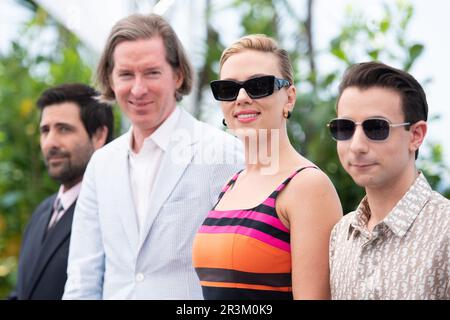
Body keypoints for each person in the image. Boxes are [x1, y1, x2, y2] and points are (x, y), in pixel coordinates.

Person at [62, 14, 243, 300]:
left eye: (151, 72)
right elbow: (83, 275)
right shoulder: (101, 164)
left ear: (178, 75)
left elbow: (242, 271)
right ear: (110, 78)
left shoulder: (224, 153)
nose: (138, 89)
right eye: (125, 74)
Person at [192, 34, 343, 300]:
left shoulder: (307, 186)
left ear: (289, 98)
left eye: (258, 85)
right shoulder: (232, 183)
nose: (241, 98)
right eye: (228, 89)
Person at [328, 61, 450, 300]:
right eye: (344, 128)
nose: (357, 146)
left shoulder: (445, 231)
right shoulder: (340, 235)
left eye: (376, 128)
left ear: (416, 135)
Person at [7, 83, 114, 300]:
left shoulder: (112, 213)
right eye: (45, 130)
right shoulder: (42, 212)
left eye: (64, 129)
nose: (50, 143)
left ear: (99, 136)